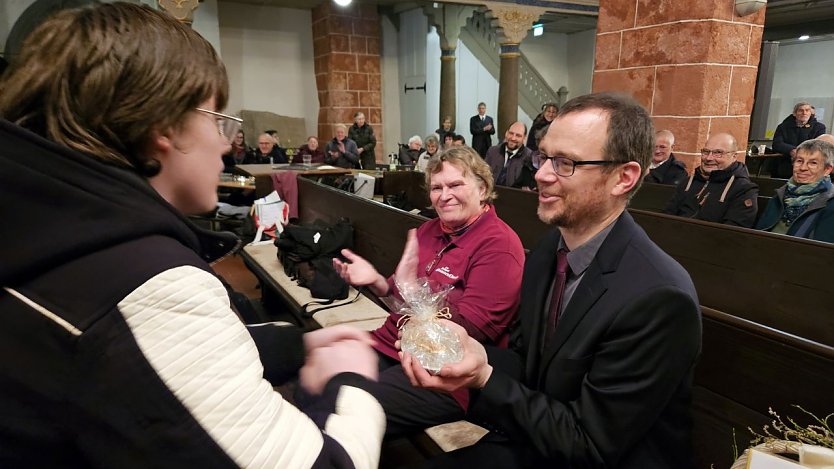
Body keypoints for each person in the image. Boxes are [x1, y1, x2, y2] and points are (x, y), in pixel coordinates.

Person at [0, 3, 385, 467]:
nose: (226, 142)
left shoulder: (53, 233)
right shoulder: (145, 282)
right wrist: (353, 382)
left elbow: (140, 364)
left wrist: (296, 346)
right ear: (164, 124)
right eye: (216, 118)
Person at [401, 92, 701, 468]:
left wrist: (483, 377)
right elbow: (531, 368)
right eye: (543, 156)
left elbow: (592, 444)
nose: (541, 173)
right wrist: (466, 356)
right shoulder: (549, 253)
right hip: (544, 439)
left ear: (623, 178)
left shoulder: (658, 296)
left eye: (565, 163)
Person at [333, 146, 525, 437]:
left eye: (455, 184)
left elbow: (466, 334)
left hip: (443, 372)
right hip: (392, 345)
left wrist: (410, 291)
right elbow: (399, 301)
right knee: (321, 372)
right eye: (436, 187)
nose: (444, 195)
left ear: (482, 188)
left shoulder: (499, 246)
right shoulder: (429, 230)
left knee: (346, 408)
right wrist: (376, 282)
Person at [664, 132, 759, 227]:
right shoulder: (688, 182)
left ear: (734, 156)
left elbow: (732, 233)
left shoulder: (744, 190)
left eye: (718, 153)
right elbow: (667, 216)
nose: (709, 158)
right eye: (706, 152)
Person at [756, 138, 834, 242]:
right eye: (799, 161)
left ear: (827, 169)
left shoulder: (830, 203)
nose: (803, 168)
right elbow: (758, 232)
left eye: (813, 163)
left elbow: (821, 251)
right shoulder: (780, 194)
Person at [772, 101, 827, 178]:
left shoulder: (819, 127)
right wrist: (792, 150)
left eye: (807, 110)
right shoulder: (783, 127)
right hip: (785, 165)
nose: (804, 113)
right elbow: (777, 144)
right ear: (795, 113)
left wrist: (800, 152)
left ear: (811, 113)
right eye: (801, 110)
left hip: (809, 166)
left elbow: (818, 146)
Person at [484, 121, 533, 188]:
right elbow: (483, 176)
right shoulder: (492, 151)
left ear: (524, 138)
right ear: (506, 133)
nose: (513, 138)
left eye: (518, 135)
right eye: (511, 133)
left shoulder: (530, 157)